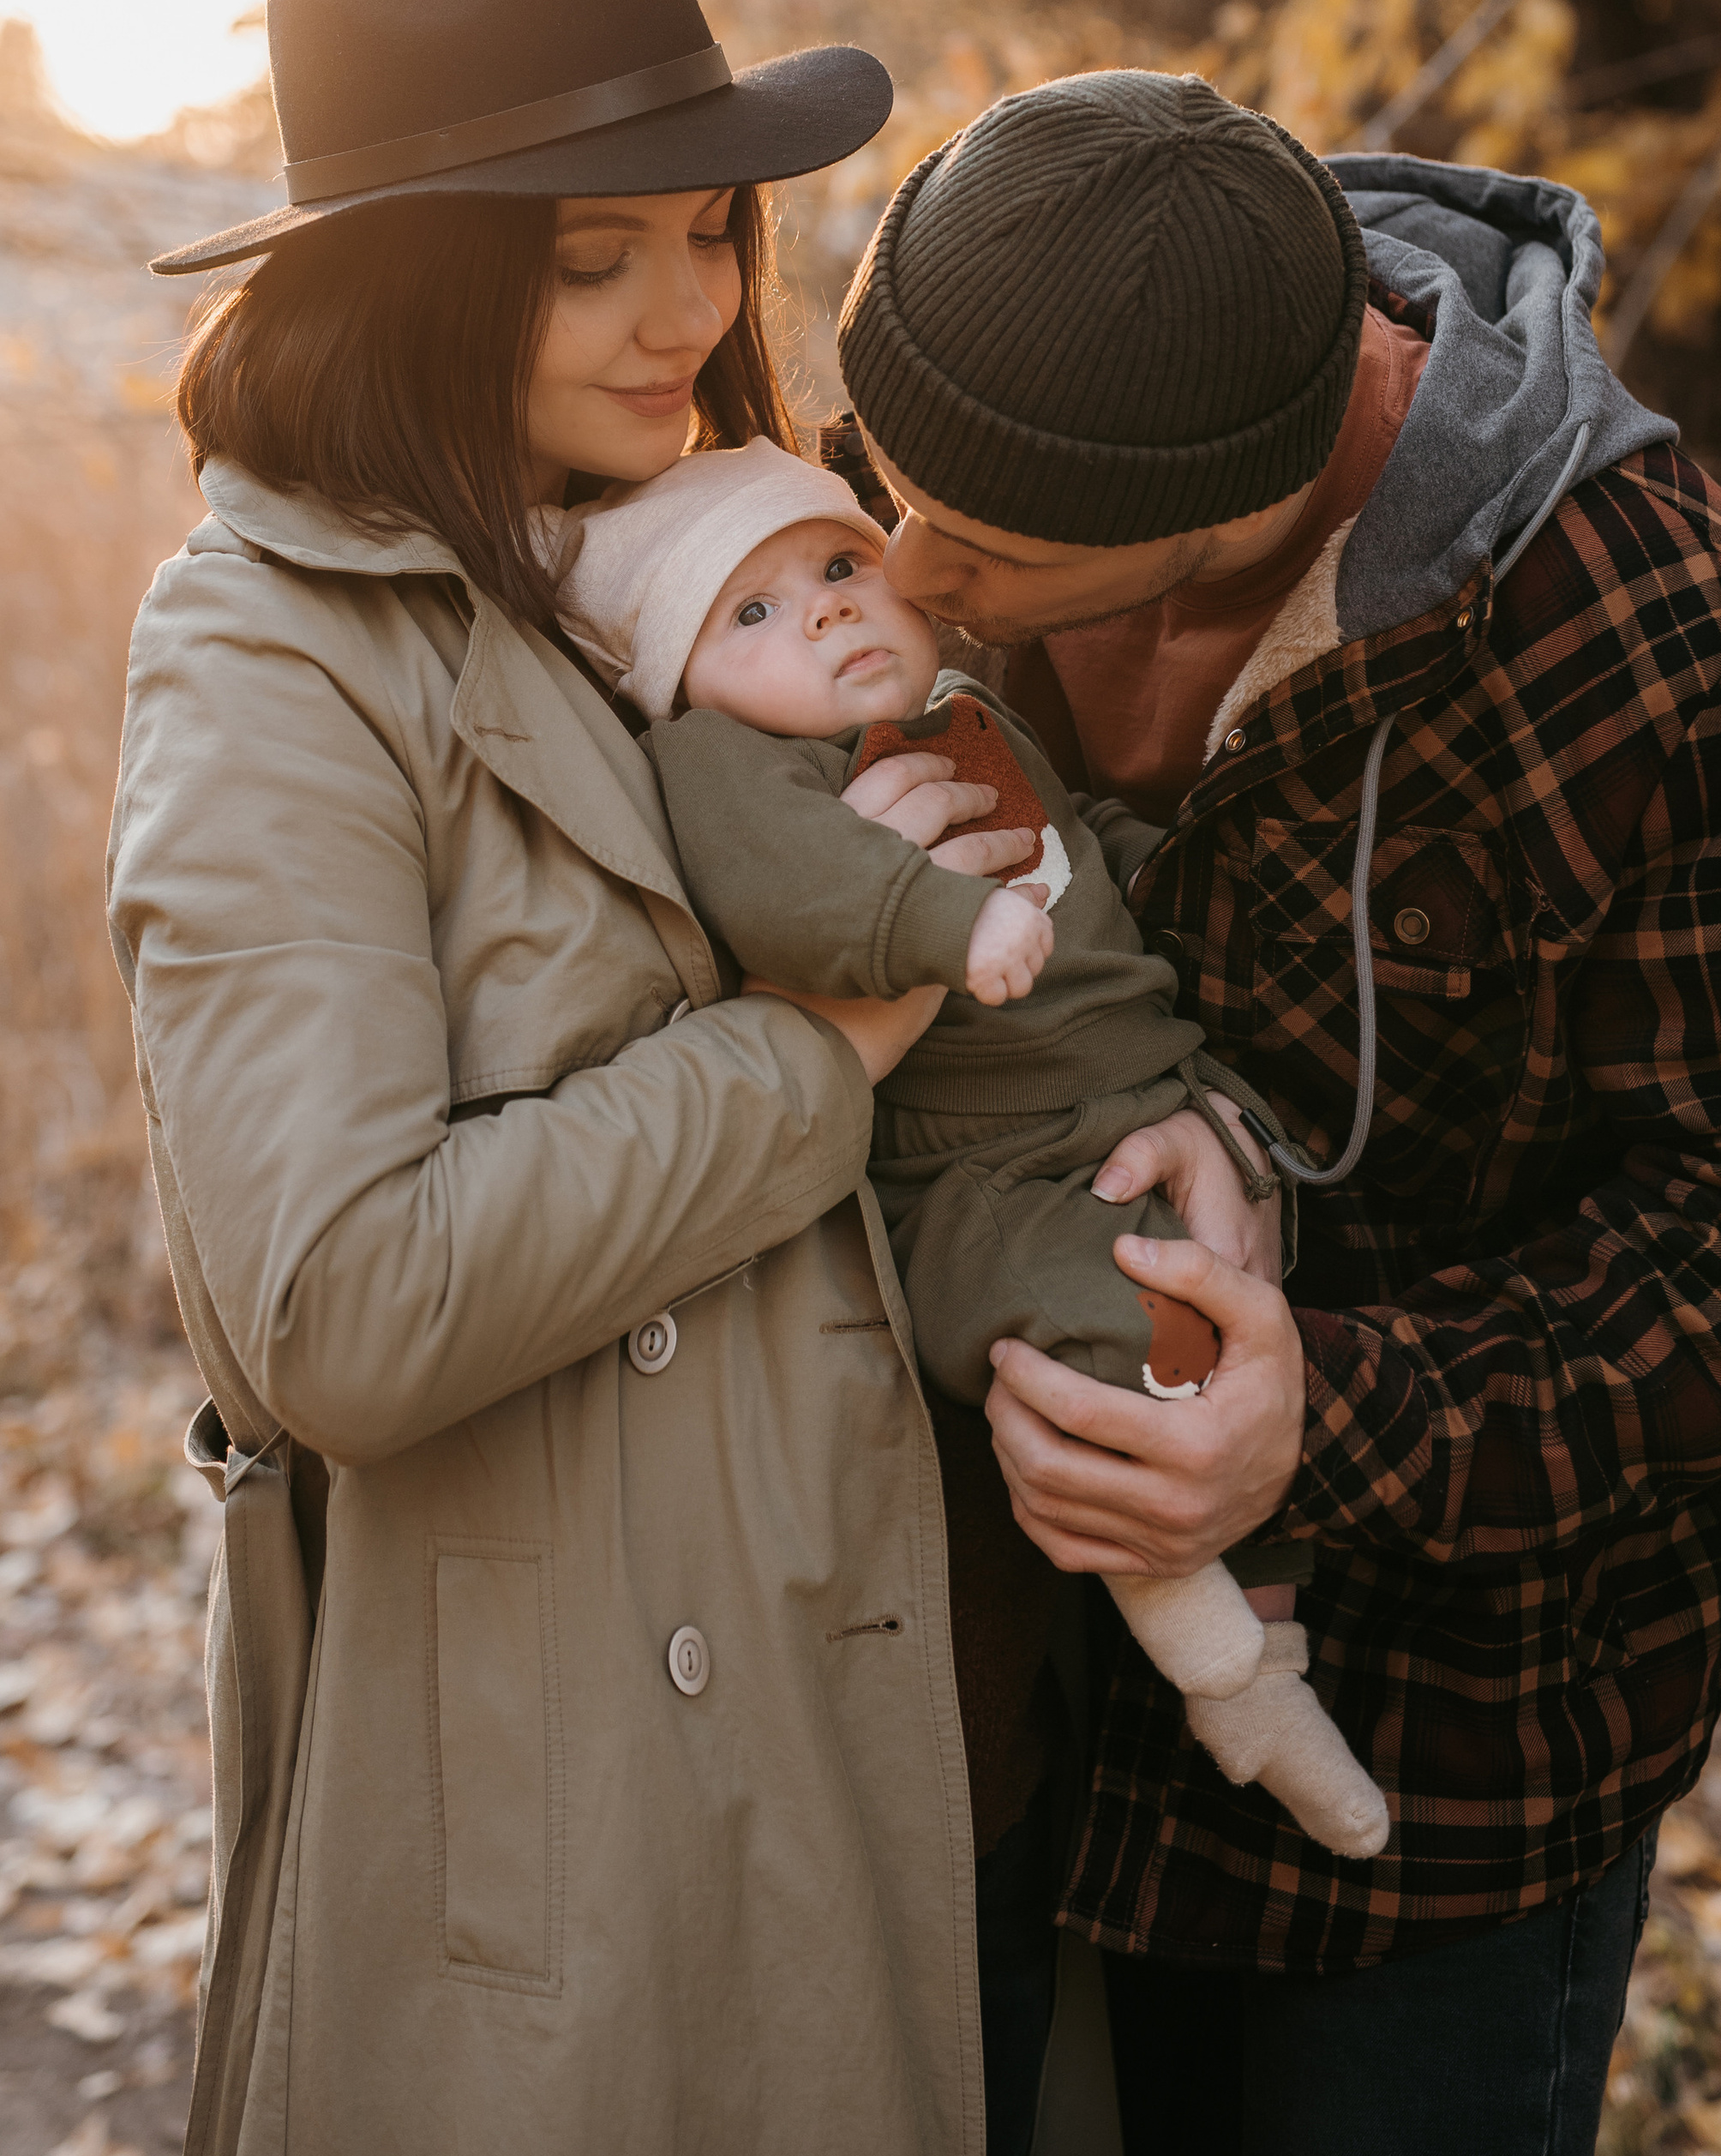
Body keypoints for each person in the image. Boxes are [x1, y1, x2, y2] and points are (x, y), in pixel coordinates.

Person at [106, 0, 1098, 2156]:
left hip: (915, 1665)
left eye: (713, 231)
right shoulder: (271, 655)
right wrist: (813, 1045)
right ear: (413, 280)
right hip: (581, 1796)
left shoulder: (727, 554)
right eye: (594, 257)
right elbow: (338, 1302)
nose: (689, 309)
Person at [825, 66, 1721, 2156]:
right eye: (887, 489)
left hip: (1438, 1801)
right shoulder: (1064, 334)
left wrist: (1334, 1418)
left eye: (991, 553)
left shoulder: (1664, 636)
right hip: (992, 1730)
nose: (904, 576)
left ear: (1249, 499)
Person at [553, 432, 1387, 1859]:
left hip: (1136, 1093)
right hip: (982, 1168)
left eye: (834, 566)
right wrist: (950, 925)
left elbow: (1084, 842)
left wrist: (1142, 863)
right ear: (681, 681)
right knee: (1113, 1340)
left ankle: (1269, 1627)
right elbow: (799, 896)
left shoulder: (965, 702)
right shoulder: (730, 765)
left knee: (1248, 1310)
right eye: (748, 614)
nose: (821, 610)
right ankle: (1227, 1668)